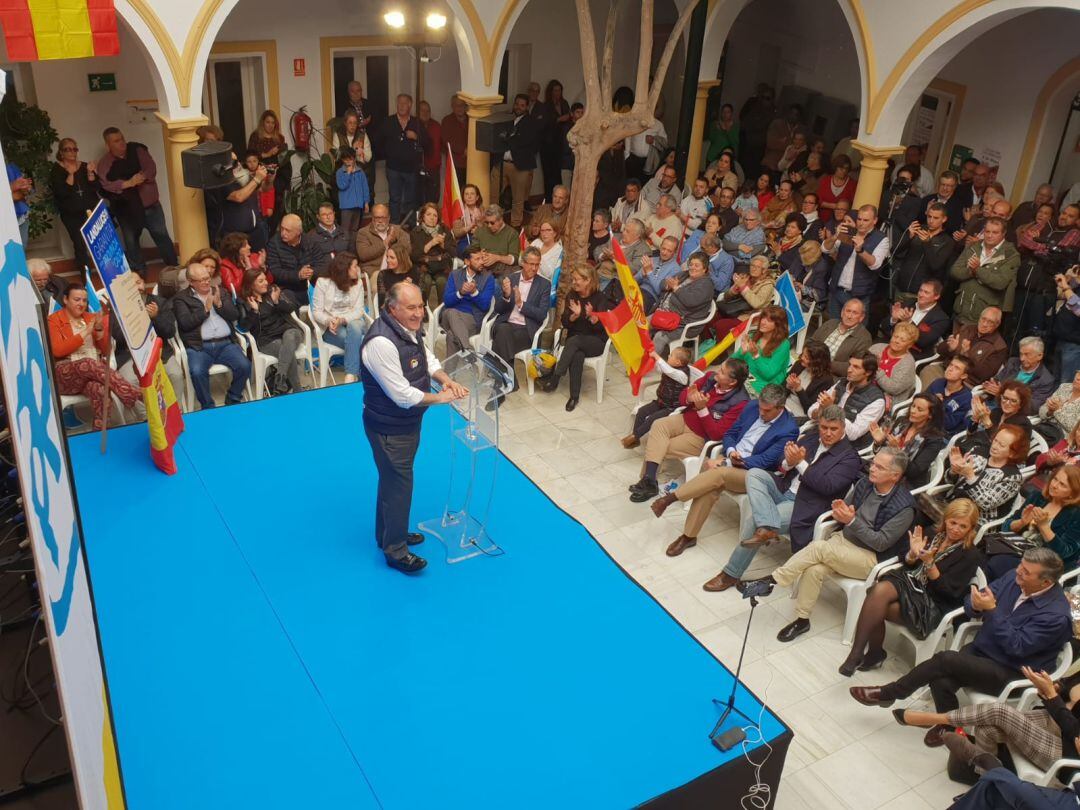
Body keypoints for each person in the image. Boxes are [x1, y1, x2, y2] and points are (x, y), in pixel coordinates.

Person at [851, 548, 1072, 729]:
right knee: (941, 678)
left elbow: (1017, 648)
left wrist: (992, 611)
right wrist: (976, 606)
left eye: (1026, 572)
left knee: (944, 660)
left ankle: (890, 692)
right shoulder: (1013, 578)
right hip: (983, 650)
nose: (1019, 573)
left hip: (1011, 670)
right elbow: (974, 600)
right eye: (1020, 566)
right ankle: (950, 729)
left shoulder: (1055, 616)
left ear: (1045, 583)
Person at [743, 448, 915, 642]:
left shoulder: (904, 507)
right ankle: (802, 620)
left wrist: (851, 522)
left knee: (817, 547)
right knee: (814, 569)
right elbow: (846, 509)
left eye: (879, 467)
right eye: (873, 463)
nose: (872, 469)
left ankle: (772, 581)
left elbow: (881, 543)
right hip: (844, 541)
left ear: (895, 475)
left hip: (870, 558)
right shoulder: (865, 483)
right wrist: (840, 511)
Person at [360, 282, 469, 574]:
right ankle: (395, 551)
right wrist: (441, 398)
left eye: (420, 306)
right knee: (399, 486)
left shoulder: (405, 329)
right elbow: (402, 395)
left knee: (392, 482)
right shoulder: (381, 343)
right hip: (389, 428)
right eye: (411, 308)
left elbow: (426, 358)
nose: (419, 313)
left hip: (405, 424)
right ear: (391, 308)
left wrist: (444, 379)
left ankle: (388, 533)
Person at [700, 405, 862, 591]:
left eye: (833, 429)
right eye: (823, 427)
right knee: (754, 473)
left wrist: (800, 463)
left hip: (804, 504)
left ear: (843, 427)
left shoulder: (849, 458)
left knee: (754, 522)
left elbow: (827, 487)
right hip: (783, 488)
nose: (827, 433)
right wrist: (788, 462)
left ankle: (730, 574)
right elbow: (781, 466)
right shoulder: (810, 439)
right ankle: (767, 525)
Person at [841, 499, 983, 676]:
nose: (955, 529)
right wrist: (912, 554)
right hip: (910, 584)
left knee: (875, 600)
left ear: (971, 529)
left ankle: (874, 653)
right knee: (879, 591)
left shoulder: (970, 555)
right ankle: (858, 653)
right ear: (946, 519)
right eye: (953, 523)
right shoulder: (932, 534)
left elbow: (949, 593)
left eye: (963, 526)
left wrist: (930, 565)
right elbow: (904, 560)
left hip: (930, 603)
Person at [650, 384, 799, 553]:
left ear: (780, 408)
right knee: (712, 484)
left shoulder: (788, 429)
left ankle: (670, 499)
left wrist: (728, 463)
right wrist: (730, 452)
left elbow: (765, 461)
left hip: (754, 474)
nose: (761, 413)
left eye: (767, 411)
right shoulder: (752, 407)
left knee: (717, 473)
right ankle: (688, 536)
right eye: (760, 408)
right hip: (731, 458)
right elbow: (730, 434)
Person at [629, 358, 751, 502]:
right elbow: (682, 398)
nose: (717, 372)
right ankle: (649, 480)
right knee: (657, 425)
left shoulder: (741, 403)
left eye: (722, 372)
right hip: (685, 418)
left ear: (732, 382)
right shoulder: (710, 378)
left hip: (701, 437)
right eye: (720, 368)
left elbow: (717, 434)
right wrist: (688, 397)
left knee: (661, 446)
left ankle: (647, 481)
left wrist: (702, 409)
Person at [48, 283, 142, 429]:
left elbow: (105, 351)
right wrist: (86, 331)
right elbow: (58, 351)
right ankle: (131, 393)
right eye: (77, 300)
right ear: (66, 300)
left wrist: (98, 331)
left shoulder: (90, 317)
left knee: (99, 390)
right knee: (88, 363)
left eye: (84, 301)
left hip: (91, 374)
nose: (81, 304)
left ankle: (100, 430)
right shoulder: (54, 320)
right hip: (65, 375)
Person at [96, 127, 178, 273]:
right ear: (108, 145)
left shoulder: (138, 150)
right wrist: (128, 183)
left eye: (122, 138)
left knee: (161, 235)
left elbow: (151, 168)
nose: (122, 142)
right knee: (131, 241)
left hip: (151, 206)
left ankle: (174, 266)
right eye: (116, 141)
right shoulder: (105, 163)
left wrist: (142, 177)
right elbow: (105, 185)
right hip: (126, 210)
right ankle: (139, 271)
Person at [171, 262, 251, 409]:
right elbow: (185, 323)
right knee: (196, 372)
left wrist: (219, 304)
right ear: (191, 282)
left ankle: (233, 399)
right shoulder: (181, 299)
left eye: (208, 278)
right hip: (199, 346)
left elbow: (234, 315)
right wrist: (205, 310)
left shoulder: (220, 291)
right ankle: (208, 406)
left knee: (244, 366)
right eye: (201, 280)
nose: (207, 282)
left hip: (226, 343)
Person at [984, 466, 1080, 579]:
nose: (1054, 485)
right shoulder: (1037, 497)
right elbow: (1005, 527)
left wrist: (1044, 526)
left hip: (1046, 563)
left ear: (1073, 493)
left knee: (998, 563)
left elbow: (1063, 552)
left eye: (1062, 484)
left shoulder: (1076, 515)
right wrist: (1021, 522)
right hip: (1017, 548)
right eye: (1055, 479)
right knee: (980, 553)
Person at [539, 265, 609, 411]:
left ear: (587, 280)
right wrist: (574, 316)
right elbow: (565, 322)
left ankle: (555, 377)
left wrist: (590, 317)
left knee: (574, 341)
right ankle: (574, 397)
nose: (574, 282)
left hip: (596, 341)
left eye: (577, 279)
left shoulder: (600, 298)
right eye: (573, 279)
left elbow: (603, 328)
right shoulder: (572, 295)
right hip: (576, 340)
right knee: (576, 355)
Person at [490, 247, 552, 386]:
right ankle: (509, 381)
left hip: (526, 331)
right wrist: (506, 296)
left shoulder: (544, 285)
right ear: (523, 263)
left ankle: (502, 381)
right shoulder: (511, 279)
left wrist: (520, 304)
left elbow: (542, 315)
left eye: (537, 264)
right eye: (531, 264)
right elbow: (498, 309)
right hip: (506, 324)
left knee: (501, 336)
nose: (534, 268)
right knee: (503, 330)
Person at [238, 267, 302, 396]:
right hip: (267, 339)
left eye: (265, 279)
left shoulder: (272, 293)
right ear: (251, 285)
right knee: (287, 351)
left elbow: (292, 308)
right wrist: (254, 311)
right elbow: (243, 327)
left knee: (288, 338)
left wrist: (277, 302)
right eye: (261, 281)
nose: (266, 283)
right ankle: (297, 390)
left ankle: (281, 378)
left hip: (289, 331)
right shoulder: (244, 302)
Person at [622, 347, 702, 448]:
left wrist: (657, 356)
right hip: (660, 401)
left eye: (671, 355)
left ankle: (634, 437)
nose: (668, 356)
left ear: (678, 362)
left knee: (652, 419)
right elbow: (659, 368)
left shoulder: (681, 375)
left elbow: (669, 371)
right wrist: (649, 358)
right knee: (641, 411)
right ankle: (635, 439)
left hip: (671, 407)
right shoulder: (669, 367)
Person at [945, 424, 1027, 522]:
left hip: (976, 520)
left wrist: (971, 477)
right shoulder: (979, 451)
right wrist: (954, 470)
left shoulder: (1012, 477)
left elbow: (986, 503)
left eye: (1001, 445)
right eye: (995, 441)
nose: (995, 446)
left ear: (1012, 453)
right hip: (951, 504)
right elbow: (950, 481)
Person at [950, 217, 1020, 326]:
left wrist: (978, 270)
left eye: (995, 232)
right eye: (987, 231)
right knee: (954, 342)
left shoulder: (1010, 255)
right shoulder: (973, 246)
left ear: (1003, 233)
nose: (990, 235)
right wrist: (972, 272)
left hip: (984, 316)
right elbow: (955, 271)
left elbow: (1000, 282)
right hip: (961, 309)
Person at [808, 353, 887, 449]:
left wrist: (831, 408)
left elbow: (854, 434)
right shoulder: (841, 383)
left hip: (845, 447)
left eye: (856, 367)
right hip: (821, 431)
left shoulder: (876, 400)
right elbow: (811, 411)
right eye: (849, 365)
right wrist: (821, 409)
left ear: (868, 372)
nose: (849, 370)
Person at [868, 392, 947, 488]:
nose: (913, 411)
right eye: (913, 406)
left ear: (930, 415)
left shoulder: (934, 439)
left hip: (905, 482)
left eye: (919, 409)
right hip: (882, 469)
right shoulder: (902, 422)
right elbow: (881, 455)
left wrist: (898, 451)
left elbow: (914, 471)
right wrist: (879, 442)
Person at [311, 252, 368, 384]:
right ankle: (359, 377)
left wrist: (342, 319)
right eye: (355, 266)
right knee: (362, 342)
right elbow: (317, 312)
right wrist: (329, 321)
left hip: (353, 322)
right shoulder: (323, 282)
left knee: (354, 328)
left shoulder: (357, 283)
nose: (358, 269)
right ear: (344, 268)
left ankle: (350, 374)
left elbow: (359, 310)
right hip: (331, 327)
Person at [824, 204, 889, 319]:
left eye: (865, 220)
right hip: (837, 290)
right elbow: (825, 249)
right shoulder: (848, 231)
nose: (861, 223)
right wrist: (835, 236)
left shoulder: (881, 239)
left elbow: (875, 264)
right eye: (859, 219)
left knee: (853, 333)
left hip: (859, 295)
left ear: (875, 221)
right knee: (832, 327)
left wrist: (860, 250)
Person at [649, 251, 715, 358]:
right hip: (664, 314)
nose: (692, 267)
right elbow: (663, 283)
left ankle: (646, 364)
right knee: (641, 324)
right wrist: (668, 285)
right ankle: (639, 355)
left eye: (697, 265)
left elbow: (691, 301)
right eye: (691, 264)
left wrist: (676, 288)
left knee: (659, 337)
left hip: (683, 323)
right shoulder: (684, 275)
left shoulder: (706, 285)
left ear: (705, 269)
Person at [923, 306, 1008, 388]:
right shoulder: (967, 329)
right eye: (983, 319)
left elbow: (984, 374)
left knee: (940, 386)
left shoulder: (999, 346)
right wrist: (950, 348)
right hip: (946, 369)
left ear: (997, 324)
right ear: (979, 318)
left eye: (990, 322)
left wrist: (967, 355)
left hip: (966, 381)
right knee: (928, 371)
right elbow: (939, 349)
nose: (984, 324)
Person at [49, 138, 100, 272]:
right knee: (80, 244)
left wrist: (90, 172)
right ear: (61, 152)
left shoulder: (84, 166)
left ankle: (107, 273)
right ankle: (85, 277)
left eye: (74, 149)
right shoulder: (57, 170)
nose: (72, 152)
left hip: (91, 211)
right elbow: (61, 193)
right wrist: (70, 174)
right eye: (68, 149)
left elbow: (96, 187)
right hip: (72, 216)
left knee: (99, 241)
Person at [490, 93, 539, 229]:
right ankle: (493, 222)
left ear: (527, 107)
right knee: (493, 195)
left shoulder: (531, 122)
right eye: (517, 104)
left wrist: (507, 138)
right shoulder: (507, 119)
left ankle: (515, 227)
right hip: (501, 163)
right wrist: (509, 137)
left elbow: (523, 141)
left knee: (518, 200)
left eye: (522, 105)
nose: (518, 107)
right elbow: (498, 135)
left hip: (520, 166)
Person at [378, 94, 428, 222]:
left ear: (410, 105)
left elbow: (428, 143)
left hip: (412, 169)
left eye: (404, 103)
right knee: (395, 199)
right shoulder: (388, 121)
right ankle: (394, 226)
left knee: (411, 200)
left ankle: (412, 226)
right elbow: (379, 141)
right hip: (393, 168)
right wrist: (389, 153)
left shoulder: (417, 123)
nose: (401, 106)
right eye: (399, 103)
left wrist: (416, 137)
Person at [440, 245, 495, 355]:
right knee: (451, 312)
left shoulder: (488, 278)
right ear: (467, 261)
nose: (481, 262)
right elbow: (447, 301)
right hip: (449, 318)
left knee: (451, 336)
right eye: (477, 259)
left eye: (482, 258)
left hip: (472, 319)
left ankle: (450, 371)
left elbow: (485, 306)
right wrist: (460, 293)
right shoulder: (454, 275)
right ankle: (468, 351)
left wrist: (474, 292)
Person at [892, 203, 954, 300]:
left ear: (944, 219)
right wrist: (908, 236)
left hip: (923, 293)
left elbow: (935, 265)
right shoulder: (918, 229)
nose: (931, 221)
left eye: (936, 218)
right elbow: (895, 251)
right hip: (901, 287)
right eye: (929, 216)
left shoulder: (947, 241)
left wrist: (927, 243)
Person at [730, 305, 792, 395]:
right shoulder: (754, 336)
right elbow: (731, 361)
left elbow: (768, 375)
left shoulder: (783, 345)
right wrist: (741, 352)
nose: (763, 322)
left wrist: (756, 355)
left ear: (778, 325)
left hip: (762, 386)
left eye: (769, 320)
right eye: (763, 317)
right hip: (744, 377)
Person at [883, 279, 951, 361]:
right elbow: (884, 328)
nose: (921, 294)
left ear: (936, 296)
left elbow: (923, 341)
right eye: (920, 290)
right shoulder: (908, 303)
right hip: (892, 345)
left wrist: (909, 322)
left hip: (913, 353)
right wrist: (893, 319)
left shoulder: (941, 318)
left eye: (926, 292)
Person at [984, 336, 1057, 411]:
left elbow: (1034, 407)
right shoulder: (1012, 362)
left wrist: (1002, 394)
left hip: (1014, 413)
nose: (1022, 358)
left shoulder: (1046, 380)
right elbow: (997, 380)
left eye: (1027, 354)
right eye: (1021, 354)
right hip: (993, 402)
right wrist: (990, 386)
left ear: (1040, 356)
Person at [265, 214, 324, 301]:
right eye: (282, 228)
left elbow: (322, 265)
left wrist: (311, 272)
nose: (283, 233)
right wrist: (298, 275)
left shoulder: (310, 241)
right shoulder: (274, 244)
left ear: (298, 232)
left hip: (311, 286)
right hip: (286, 289)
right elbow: (275, 272)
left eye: (287, 230)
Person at [411, 202, 456, 306]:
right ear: (422, 216)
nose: (432, 218)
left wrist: (443, 245)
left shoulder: (445, 230)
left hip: (442, 268)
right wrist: (430, 244)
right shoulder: (416, 232)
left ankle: (442, 312)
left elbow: (454, 252)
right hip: (423, 268)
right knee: (425, 280)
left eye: (435, 215)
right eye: (428, 214)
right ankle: (422, 310)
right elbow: (414, 256)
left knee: (442, 281)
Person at [355, 204, 412, 279]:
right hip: (375, 272)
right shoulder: (363, 232)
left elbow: (408, 248)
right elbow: (363, 255)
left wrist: (396, 245)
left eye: (383, 217)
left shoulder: (396, 229)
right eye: (377, 217)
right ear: (372, 218)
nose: (380, 220)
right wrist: (385, 243)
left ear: (388, 218)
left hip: (396, 270)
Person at [869, 321, 919, 404]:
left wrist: (877, 368)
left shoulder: (908, 364)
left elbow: (893, 388)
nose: (897, 341)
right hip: (863, 388)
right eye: (896, 336)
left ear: (909, 345)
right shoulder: (876, 348)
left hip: (885, 400)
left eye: (902, 340)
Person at [785, 342, 835, 419]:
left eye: (806, 357)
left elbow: (810, 409)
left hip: (799, 415)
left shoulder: (826, 381)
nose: (802, 358)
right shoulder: (799, 364)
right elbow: (782, 390)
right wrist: (788, 385)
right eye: (803, 354)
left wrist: (799, 389)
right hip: (783, 403)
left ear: (817, 362)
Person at [928, 355, 975, 436]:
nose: (950, 369)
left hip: (939, 433)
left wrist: (938, 405)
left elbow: (948, 425)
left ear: (963, 376)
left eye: (957, 368)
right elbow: (921, 400)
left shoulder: (965, 397)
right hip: (922, 421)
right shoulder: (938, 383)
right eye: (950, 365)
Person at [635, 235, 681, 312]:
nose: (664, 253)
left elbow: (659, 291)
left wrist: (649, 272)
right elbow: (634, 280)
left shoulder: (676, 269)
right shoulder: (652, 259)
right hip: (637, 290)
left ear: (675, 252)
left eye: (669, 251)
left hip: (650, 297)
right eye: (663, 248)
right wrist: (642, 275)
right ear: (660, 247)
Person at [472, 205, 520, 278]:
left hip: (503, 272)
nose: (489, 226)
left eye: (492, 223)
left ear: (501, 220)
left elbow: (514, 259)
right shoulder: (480, 231)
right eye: (487, 222)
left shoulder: (512, 234)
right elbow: (471, 251)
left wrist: (497, 258)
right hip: (483, 269)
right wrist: (479, 254)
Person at [334, 147, 371, 237]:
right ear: (342, 160)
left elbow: (365, 187)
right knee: (345, 229)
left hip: (358, 205)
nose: (348, 162)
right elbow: (342, 186)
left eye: (350, 159)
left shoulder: (360, 171)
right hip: (346, 206)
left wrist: (366, 202)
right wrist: (348, 174)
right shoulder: (340, 172)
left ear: (354, 158)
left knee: (355, 229)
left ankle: (353, 248)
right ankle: (344, 249)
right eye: (345, 160)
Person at [218, 232, 267, 297]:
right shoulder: (225, 266)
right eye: (244, 246)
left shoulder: (254, 257)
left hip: (259, 295)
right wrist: (247, 271)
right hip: (242, 299)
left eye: (248, 244)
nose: (249, 247)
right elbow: (234, 290)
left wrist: (262, 266)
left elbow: (269, 281)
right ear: (235, 249)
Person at [817, 154, 857, 223]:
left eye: (846, 169)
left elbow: (852, 205)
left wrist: (828, 205)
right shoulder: (825, 180)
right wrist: (834, 206)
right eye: (841, 168)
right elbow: (818, 200)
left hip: (840, 222)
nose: (844, 171)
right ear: (835, 167)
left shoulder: (852, 184)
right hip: (821, 219)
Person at [416, 101, 442, 204]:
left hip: (433, 168)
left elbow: (444, 145)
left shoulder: (436, 126)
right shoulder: (413, 124)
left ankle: (432, 219)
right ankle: (419, 219)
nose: (425, 113)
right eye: (422, 110)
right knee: (418, 198)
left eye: (428, 110)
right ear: (417, 112)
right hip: (417, 169)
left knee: (433, 197)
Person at [1042, 370, 1080, 437]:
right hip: (1044, 427)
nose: (1078, 378)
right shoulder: (1064, 387)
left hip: (1063, 438)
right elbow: (1042, 410)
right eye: (1078, 373)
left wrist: (1058, 410)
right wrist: (1050, 411)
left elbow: (1075, 429)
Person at [441, 95, 469, 188]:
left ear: (466, 106)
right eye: (457, 105)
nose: (460, 108)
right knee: (456, 192)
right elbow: (447, 140)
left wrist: (471, 151)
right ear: (452, 107)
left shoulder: (472, 119)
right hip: (455, 163)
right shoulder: (447, 120)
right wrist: (463, 150)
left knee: (470, 192)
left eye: (462, 105)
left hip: (472, 163)